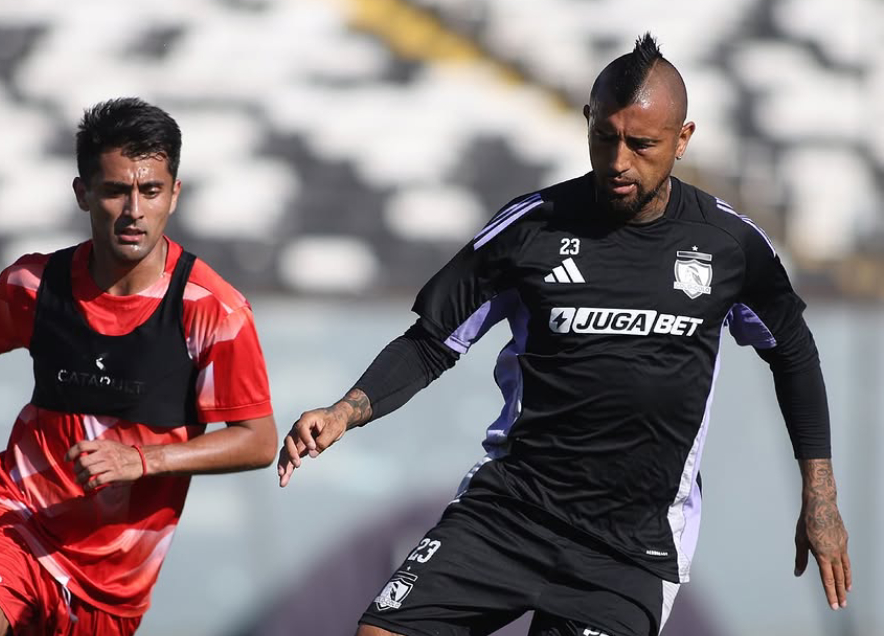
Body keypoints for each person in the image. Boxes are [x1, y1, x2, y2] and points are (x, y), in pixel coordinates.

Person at [278, 33, 851, 636]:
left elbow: (793, 352)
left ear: (682, 141)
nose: (620, 160)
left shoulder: (730, 244)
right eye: (606, 137)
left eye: (643, 144)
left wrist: (821, 496)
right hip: (509, 513)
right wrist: (346, 410)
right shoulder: (532, 227)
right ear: (588, 123)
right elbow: (431, 340)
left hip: (630, 549)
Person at [0, 97, 278, 636]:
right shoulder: (37, 285)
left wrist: (142, 460)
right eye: (114, 190)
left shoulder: (212, 308)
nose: (134, 210)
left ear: (174, 194)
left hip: (113, 582)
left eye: (150, 191)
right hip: (17, 520)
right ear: (83, 192)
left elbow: (258, 441)